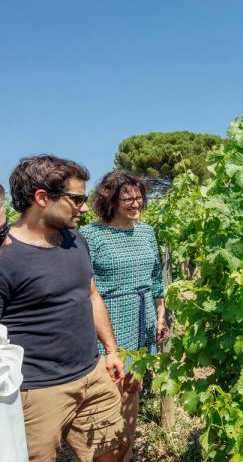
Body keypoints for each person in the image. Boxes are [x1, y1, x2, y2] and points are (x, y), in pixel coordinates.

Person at [0, 155, 128, 461]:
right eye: (77, 199)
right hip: (36, 391)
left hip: (92, 374)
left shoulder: (75, 240)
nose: (84, 208)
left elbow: (91, 295)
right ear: (42, 198)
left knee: (112, 450)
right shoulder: (5, 257)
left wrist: (110, 350)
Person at [80, 171, 167, 462]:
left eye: (139, 196)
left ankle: (126, 452)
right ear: (110, 200)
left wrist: (161, 314)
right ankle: (106, 454)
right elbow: (85, 287)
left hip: (143, 318)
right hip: (110, 320)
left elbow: (156, 279)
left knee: (133, 386)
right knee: (109, 392)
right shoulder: (91, 235)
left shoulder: (147, 232)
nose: (135, 202)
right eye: (127, 197)